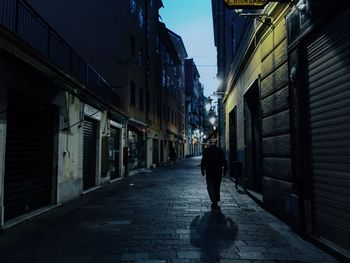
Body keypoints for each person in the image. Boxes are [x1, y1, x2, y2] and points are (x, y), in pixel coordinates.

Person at [201, 140, 227, 210]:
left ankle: (213, 200)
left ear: (210, 144)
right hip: (218, 172)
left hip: (209, 172)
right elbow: (224, 161)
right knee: (217, 186)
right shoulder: (220, 150)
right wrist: (225, 171)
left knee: (210, 186)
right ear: (216, 144)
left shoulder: (207, 151)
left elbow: (203, 161)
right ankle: (216, 201)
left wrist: (202, 170)